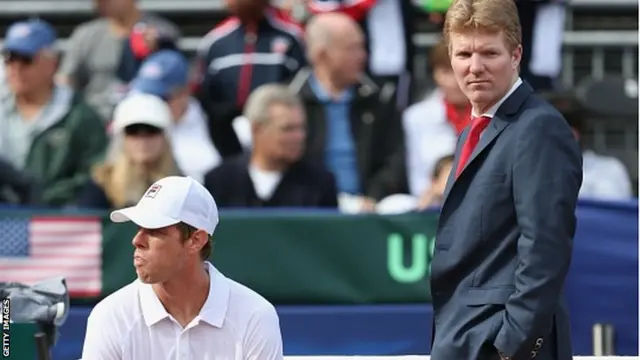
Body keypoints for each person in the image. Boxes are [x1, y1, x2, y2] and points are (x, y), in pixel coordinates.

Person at [429, 0, 582, 360]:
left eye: (489, 53)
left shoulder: (539, 128)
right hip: (463, 340)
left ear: (516, 55)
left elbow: (545, 247)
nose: (475, 67)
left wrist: (514, 347)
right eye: (464, 53)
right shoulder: (473, 133)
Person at [81, 176, 283, 359]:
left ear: (196, 241)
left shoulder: (255, 315)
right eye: (139, 227)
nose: (137, 240)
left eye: (154, 230)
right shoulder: (110, 316)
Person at [289, 13, 407, 212]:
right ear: (321, 54)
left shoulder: (379, 98)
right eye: (352, 48)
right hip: (310, 210)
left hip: (371, 208)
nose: (363, 56)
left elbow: (394, 160)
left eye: (362, 46)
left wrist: (372, 197)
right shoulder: (290, 100)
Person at [0, 19, 107, 207]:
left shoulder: (80, 116)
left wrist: (42, 196)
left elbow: (95, 173)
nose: (16, 67)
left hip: (55, 220)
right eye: (10, 58)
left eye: (26, 59)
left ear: (52, 64)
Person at [204, 84, 338, 208]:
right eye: (288, 129)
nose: (299, 136)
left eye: (301, 128)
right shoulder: (220, 181)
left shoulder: (319, 184)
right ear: (256, 129)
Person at [77, 93, 181, 209]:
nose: (142, 140)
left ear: (165, 137)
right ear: (121, 138)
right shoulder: (102, 184)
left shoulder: (181, 186)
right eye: (133, 131)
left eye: (151, 130)